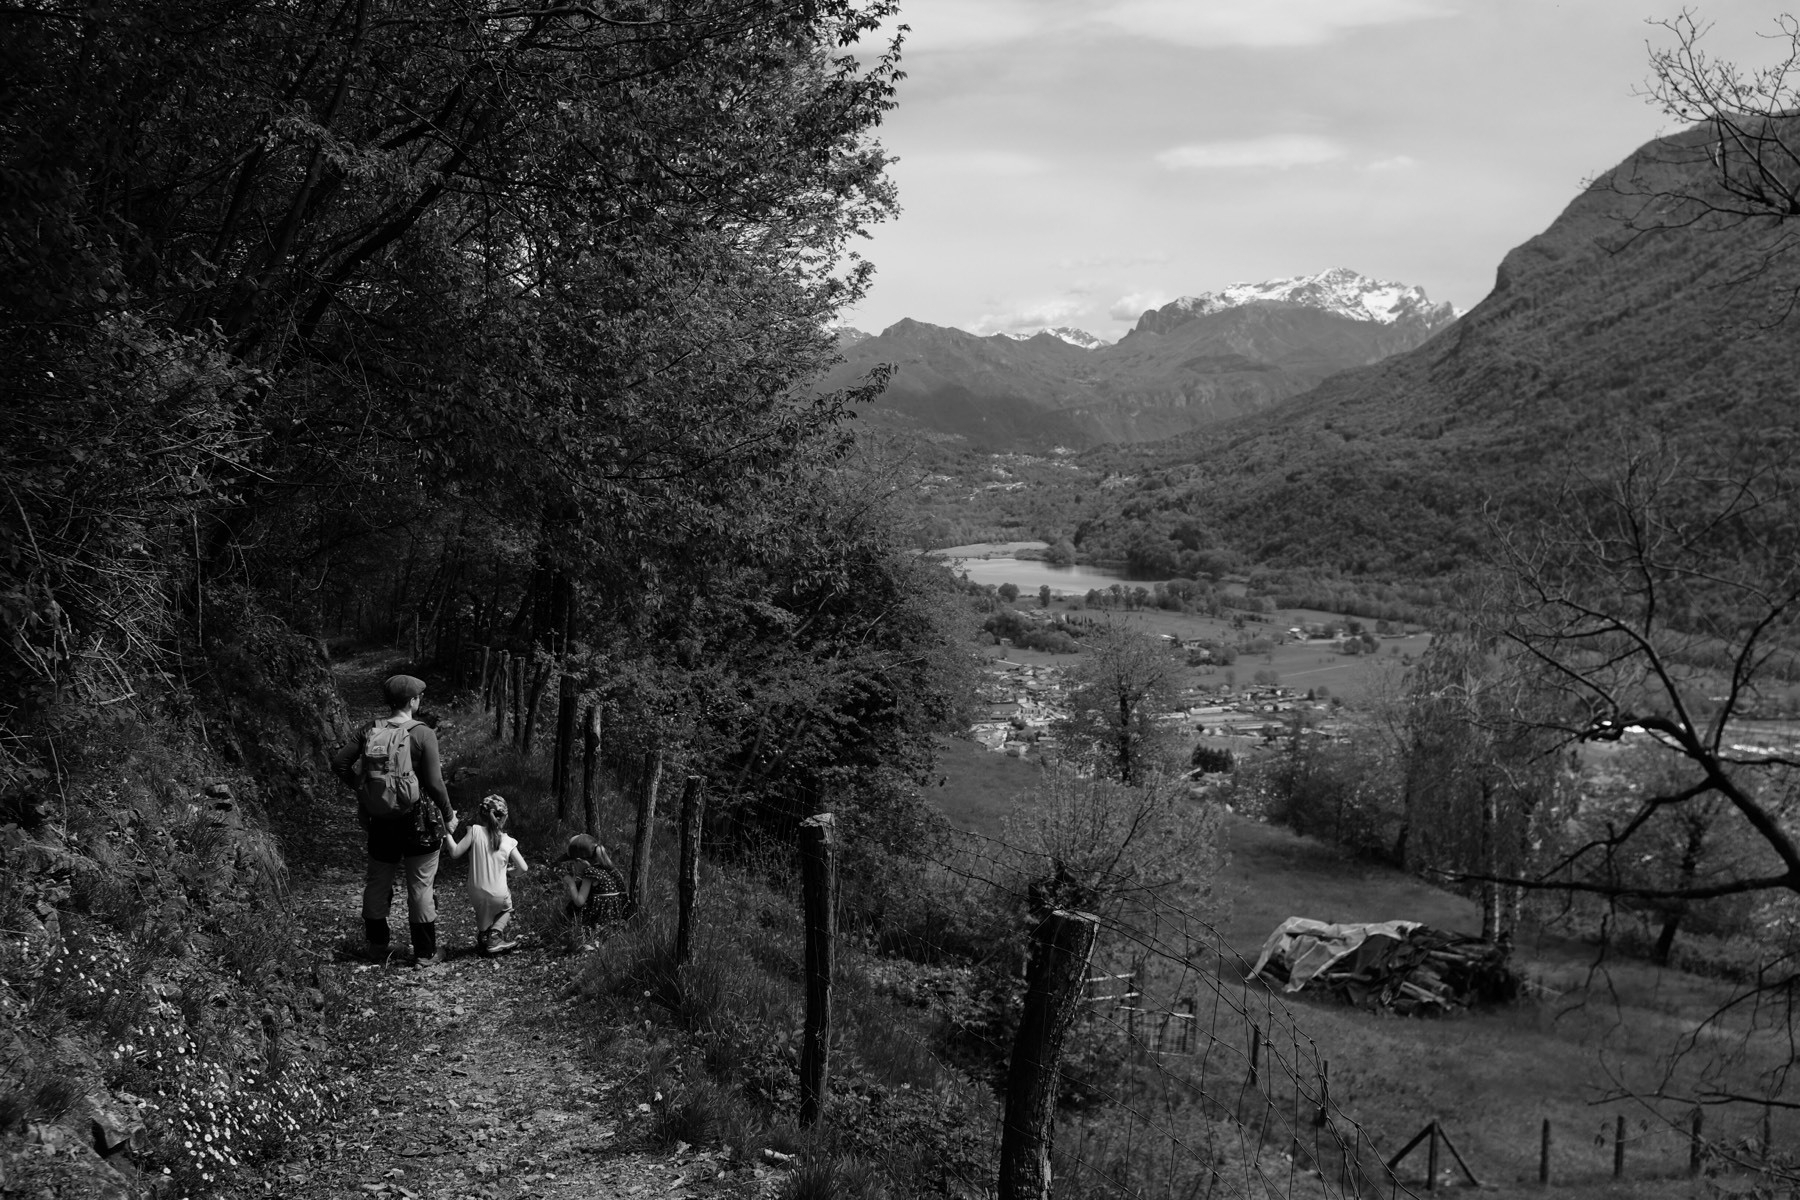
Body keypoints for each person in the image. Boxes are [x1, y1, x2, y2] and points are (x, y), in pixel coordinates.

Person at [330, 674, 459, 966]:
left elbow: (339, 763)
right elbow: (436, 784)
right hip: (420, 819)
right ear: (413, 701)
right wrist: (449, 815)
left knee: (378, 882)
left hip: (381, 819)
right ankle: (425, 953)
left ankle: (377, 946)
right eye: (419, 697)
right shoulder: (423, 733)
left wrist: (363, 790)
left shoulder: (369, 730)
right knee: (421, 885)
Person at [441, 794, 528, 955]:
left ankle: (483, 937)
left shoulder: (474, 831)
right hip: (498, 892)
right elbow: (523, 868)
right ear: (505, 817)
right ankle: (494, 936)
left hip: (475, 890)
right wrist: (510, 872)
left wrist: (447, 832)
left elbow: (454, 853)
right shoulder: (508, 841)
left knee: (482, 910)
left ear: (482, 815)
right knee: (506, 909)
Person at [556, 833, 621, 952]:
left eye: (573, 863)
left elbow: (579, 901)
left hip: (599, 920)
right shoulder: (608, 869)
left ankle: (581, 931)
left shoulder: (590, 874)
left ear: (580, 861)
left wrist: (571, 883)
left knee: (572, 907)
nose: (573, 867)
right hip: (615, 918)